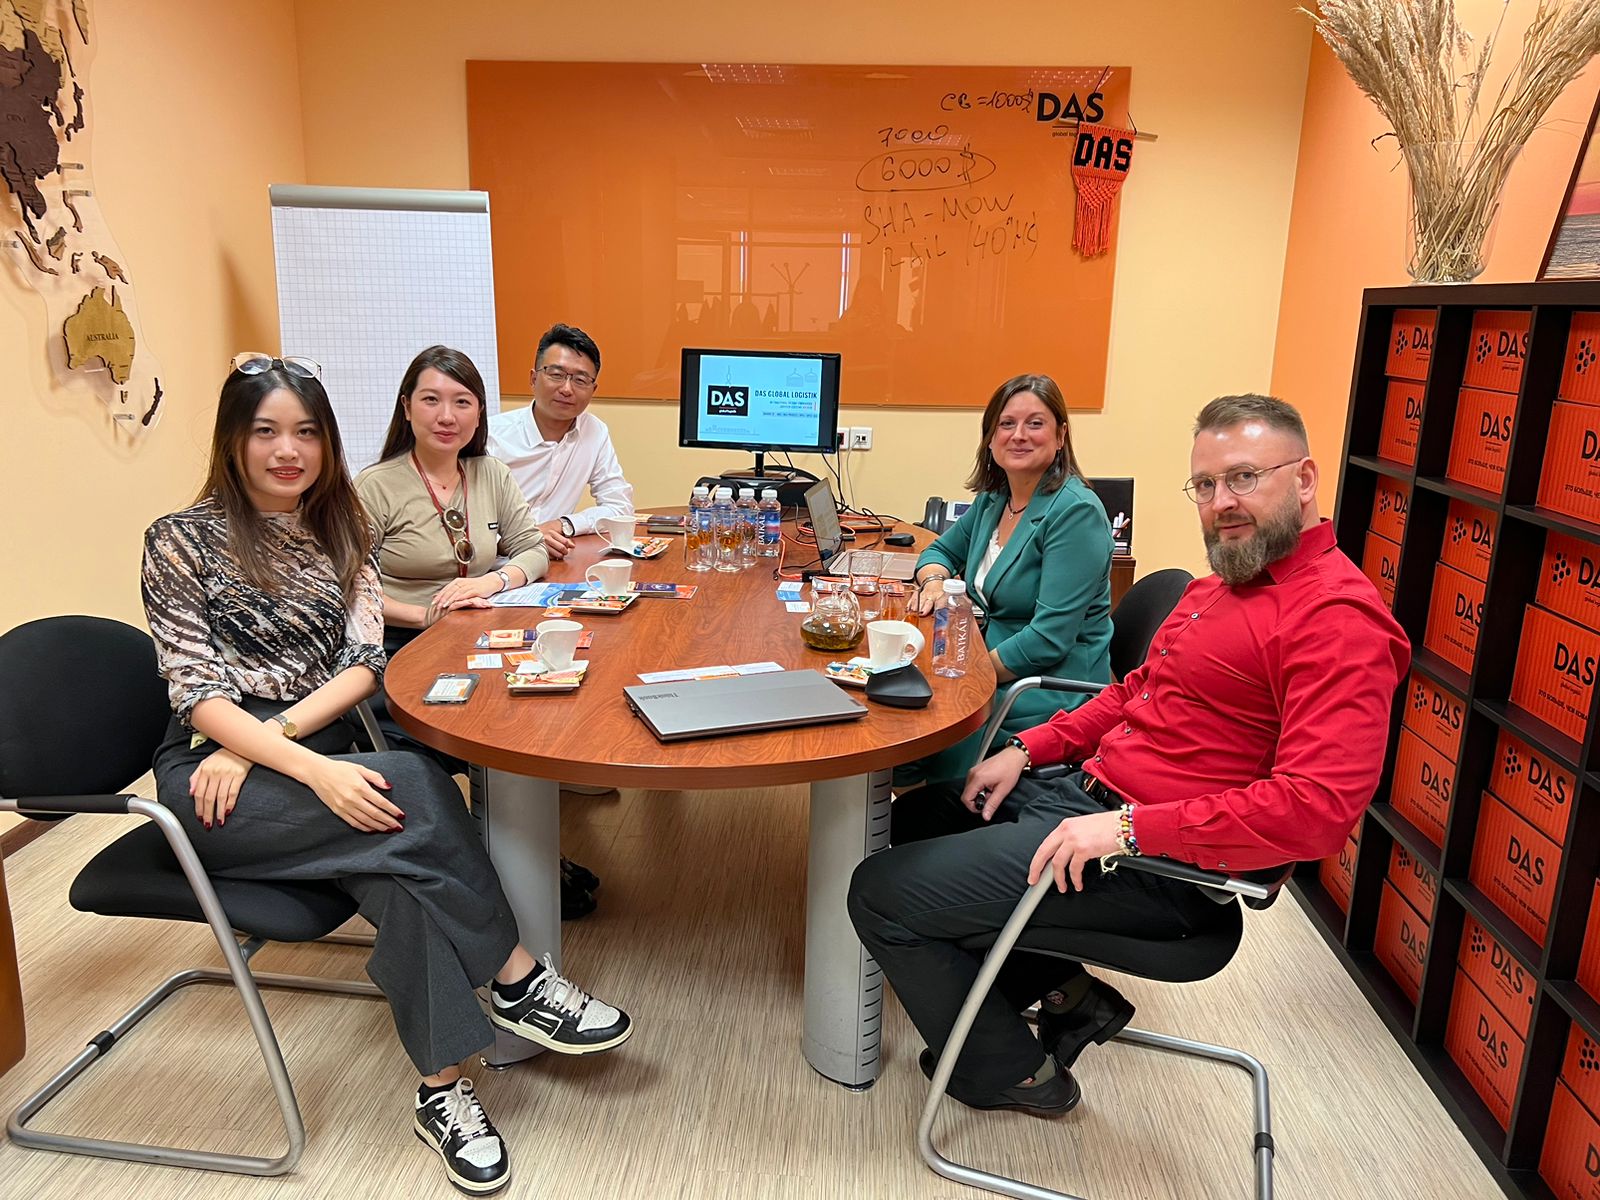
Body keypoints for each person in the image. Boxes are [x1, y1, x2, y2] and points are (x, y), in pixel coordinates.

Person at [142, 354, 633, 1195]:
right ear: (233, 440)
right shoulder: (179, 539)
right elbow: (196, 690)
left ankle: (441, 1093)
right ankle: (517, 977)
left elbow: (364, 663)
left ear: (327, 443)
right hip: (211, 778)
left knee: (401, 865)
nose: (288, 450)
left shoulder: (338, 529)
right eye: (266, 432)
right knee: (411, 784)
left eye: (306, 432)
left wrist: (281, 740)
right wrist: (299, 763)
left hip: (296, 746)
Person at [849, 393, 1409, 1116]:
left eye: (1244, 478)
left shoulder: (1337, 620)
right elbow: (1133, 692)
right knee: (913, 822)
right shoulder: (1222, 585)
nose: (1221, 502)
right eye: (1205, 485)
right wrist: (1027, 749)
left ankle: (1015, 1074)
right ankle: (1065, 994)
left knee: (880, 892)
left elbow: (1316, 812)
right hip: (1089, 799)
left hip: (1161, 867)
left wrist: (1125, 830)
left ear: (1303, 480)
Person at [357, 347, 603, 920]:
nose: (447, 415)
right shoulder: (375, 485)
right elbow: (351, 591)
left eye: (462, 402)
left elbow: (532, 548)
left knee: (544, 703)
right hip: (402, 647)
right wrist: (426, 616)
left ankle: (525, 854)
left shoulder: (489, 472)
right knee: (487, 727)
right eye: (431, 400)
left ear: (479, 412)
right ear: (406, 408)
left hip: (478, 633)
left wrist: (493, 581)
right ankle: (494, 867)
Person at [899, 374, 1112, 788]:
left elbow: (1048, 639)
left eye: (1035, 423)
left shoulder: (1076, 513)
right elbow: (938, 553)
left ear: (1060, 436)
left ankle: (934, 814)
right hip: (988, 657)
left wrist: (968, 677)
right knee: (896, 703)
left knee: (919, 716)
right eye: (1006, 424)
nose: (1019, 435)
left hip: (1046, 684)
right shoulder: (995, 499)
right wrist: (934, 584)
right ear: (990, 438)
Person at [487, 323, 634, 562]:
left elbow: (620, 507)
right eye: (556, 375)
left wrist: (564, 524)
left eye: (580, 380)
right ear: (533, 378)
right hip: (494, 567)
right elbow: (467, 526)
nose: (567, 389)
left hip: (553, 565)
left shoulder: (594, 432)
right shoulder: (492, 436)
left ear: (593, 389)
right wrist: (524, 538)